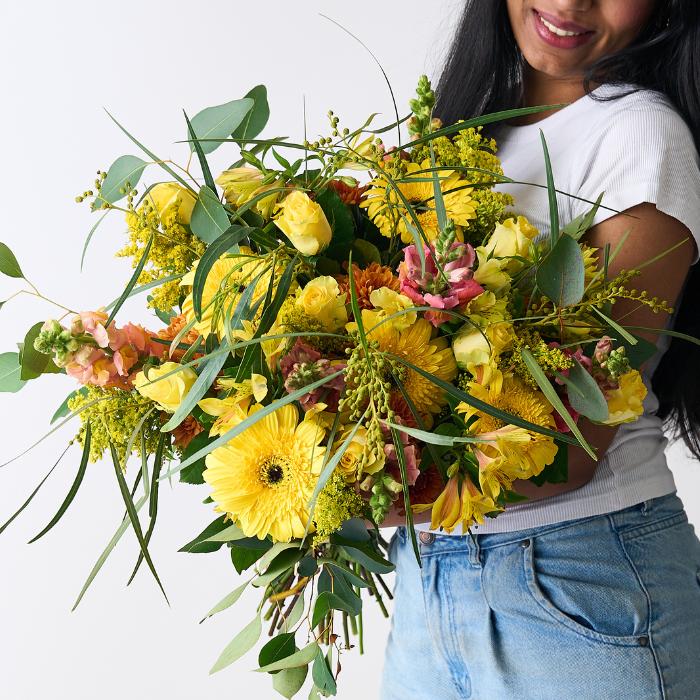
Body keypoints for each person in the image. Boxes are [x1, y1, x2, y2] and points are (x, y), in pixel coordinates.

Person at [381, 2, 700, 698]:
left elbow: (569, 444)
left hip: (577, 579)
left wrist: (345, 486)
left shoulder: (639, 135)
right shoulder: (458, 133)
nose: (570, 2)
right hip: (430, 575)